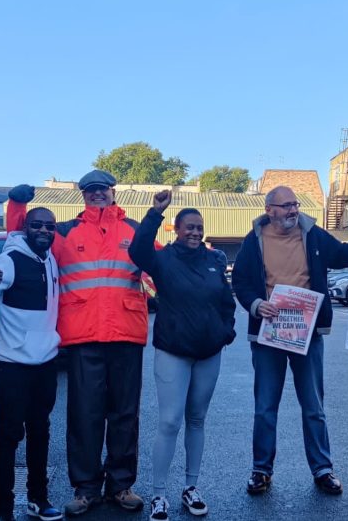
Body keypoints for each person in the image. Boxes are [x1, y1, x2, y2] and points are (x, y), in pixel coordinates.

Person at [6, 171, 149, 517]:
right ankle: (85, 489)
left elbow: (164, 262)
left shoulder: (134, 229)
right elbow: (21, 235)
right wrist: (17, 204)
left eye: (103, 189)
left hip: (126, 334)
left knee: (124, 415)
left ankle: (121, 485)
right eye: (91, 190)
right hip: (83, 335)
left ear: (113, 193)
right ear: (83, 196)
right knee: (84, 416)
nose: (97, 194)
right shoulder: (65, 232)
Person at [231, 185, 348, 496]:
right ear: (270, 210)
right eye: (286, 206)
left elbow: (340, 255)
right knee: (265, 406)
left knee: (313, 405)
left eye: (295, 204)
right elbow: (240, 281)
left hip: (307, 334)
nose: (293, 210)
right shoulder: (254, 240)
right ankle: (261, 470)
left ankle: (323, 469)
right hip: (269, 332)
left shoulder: (312, 233)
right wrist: (256, 304)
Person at [128, 190, 236, 521]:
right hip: (173, 351)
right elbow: (136, 250)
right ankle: (158, 494)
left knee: (197, 419)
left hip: (208, 353)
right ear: (177, 229)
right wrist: (155, 213)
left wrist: (225, 331)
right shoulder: (163, 259)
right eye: (189, 226)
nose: (195, 232)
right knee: (169, 421)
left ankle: (191, 488)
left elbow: (226, 302)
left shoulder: (214, 261)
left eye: (199, 227)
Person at [0, 207, 64, 521]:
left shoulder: (50, 260)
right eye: (37, 225)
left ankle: (38, 499)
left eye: (50, 226)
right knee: (9, 436)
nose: (44, 231)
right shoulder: (8, 260)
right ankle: (2, 508)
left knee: (41, 432)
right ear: (25, 227)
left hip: (46, 362)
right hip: (13, 363)